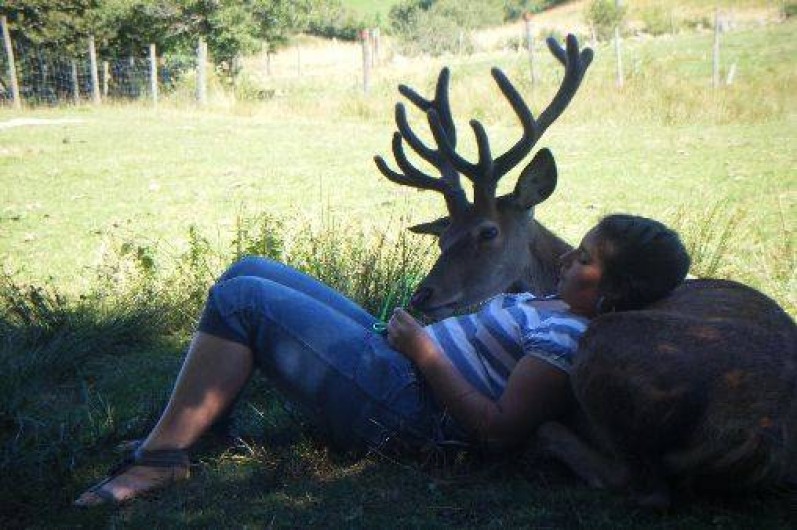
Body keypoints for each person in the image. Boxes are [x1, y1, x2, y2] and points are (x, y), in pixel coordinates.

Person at [74, 214, 691, 506]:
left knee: (242, 302)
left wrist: (424, 351)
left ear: (612, 294)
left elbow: (497, 429)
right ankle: (204, 428)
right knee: (249, 270)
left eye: (584, 260)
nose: (565, 258)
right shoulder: (559, 303)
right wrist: (424, 340)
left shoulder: (568, 340)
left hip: (411, 407)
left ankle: (161, 460)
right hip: (401, 364)